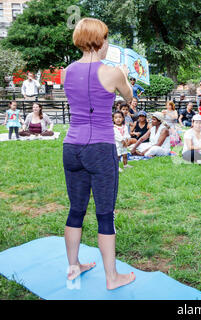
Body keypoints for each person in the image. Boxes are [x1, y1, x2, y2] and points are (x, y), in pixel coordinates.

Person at [61, 17, 135, 289]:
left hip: (72, 148)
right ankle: (112, 277)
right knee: (105, 214)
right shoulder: (112, 71)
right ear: (100, 41)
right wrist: (125, 76)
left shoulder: (67, 71)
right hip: (100, 149)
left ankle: (73, 267)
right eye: (106, 38)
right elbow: (128, 95)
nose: (108, 43)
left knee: (75, 210)